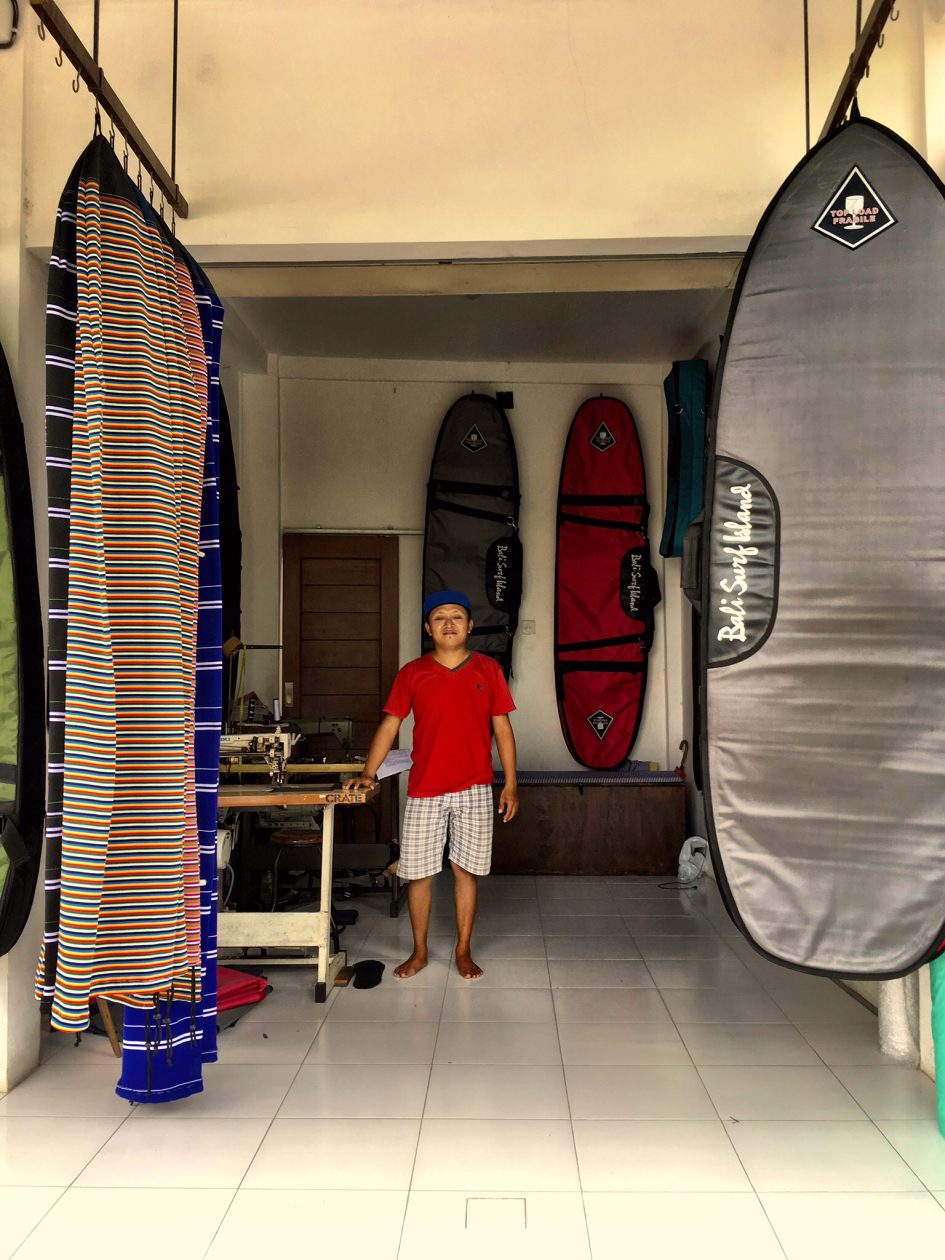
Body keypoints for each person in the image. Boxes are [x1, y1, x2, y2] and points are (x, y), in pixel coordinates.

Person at [347, 589, 518, 980]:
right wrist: (369, 773)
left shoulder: (488, 669)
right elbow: (390, 725)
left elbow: (503, 730)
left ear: (470, 625)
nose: (448, 623)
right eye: (440, 617)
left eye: (457, 616)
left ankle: (463, 950)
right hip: (425, 787)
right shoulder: (412, 672)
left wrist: (510, 784)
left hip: (475, 786)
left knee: (465, 871)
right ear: (428, 628)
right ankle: (420, 951)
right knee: (419, 873)